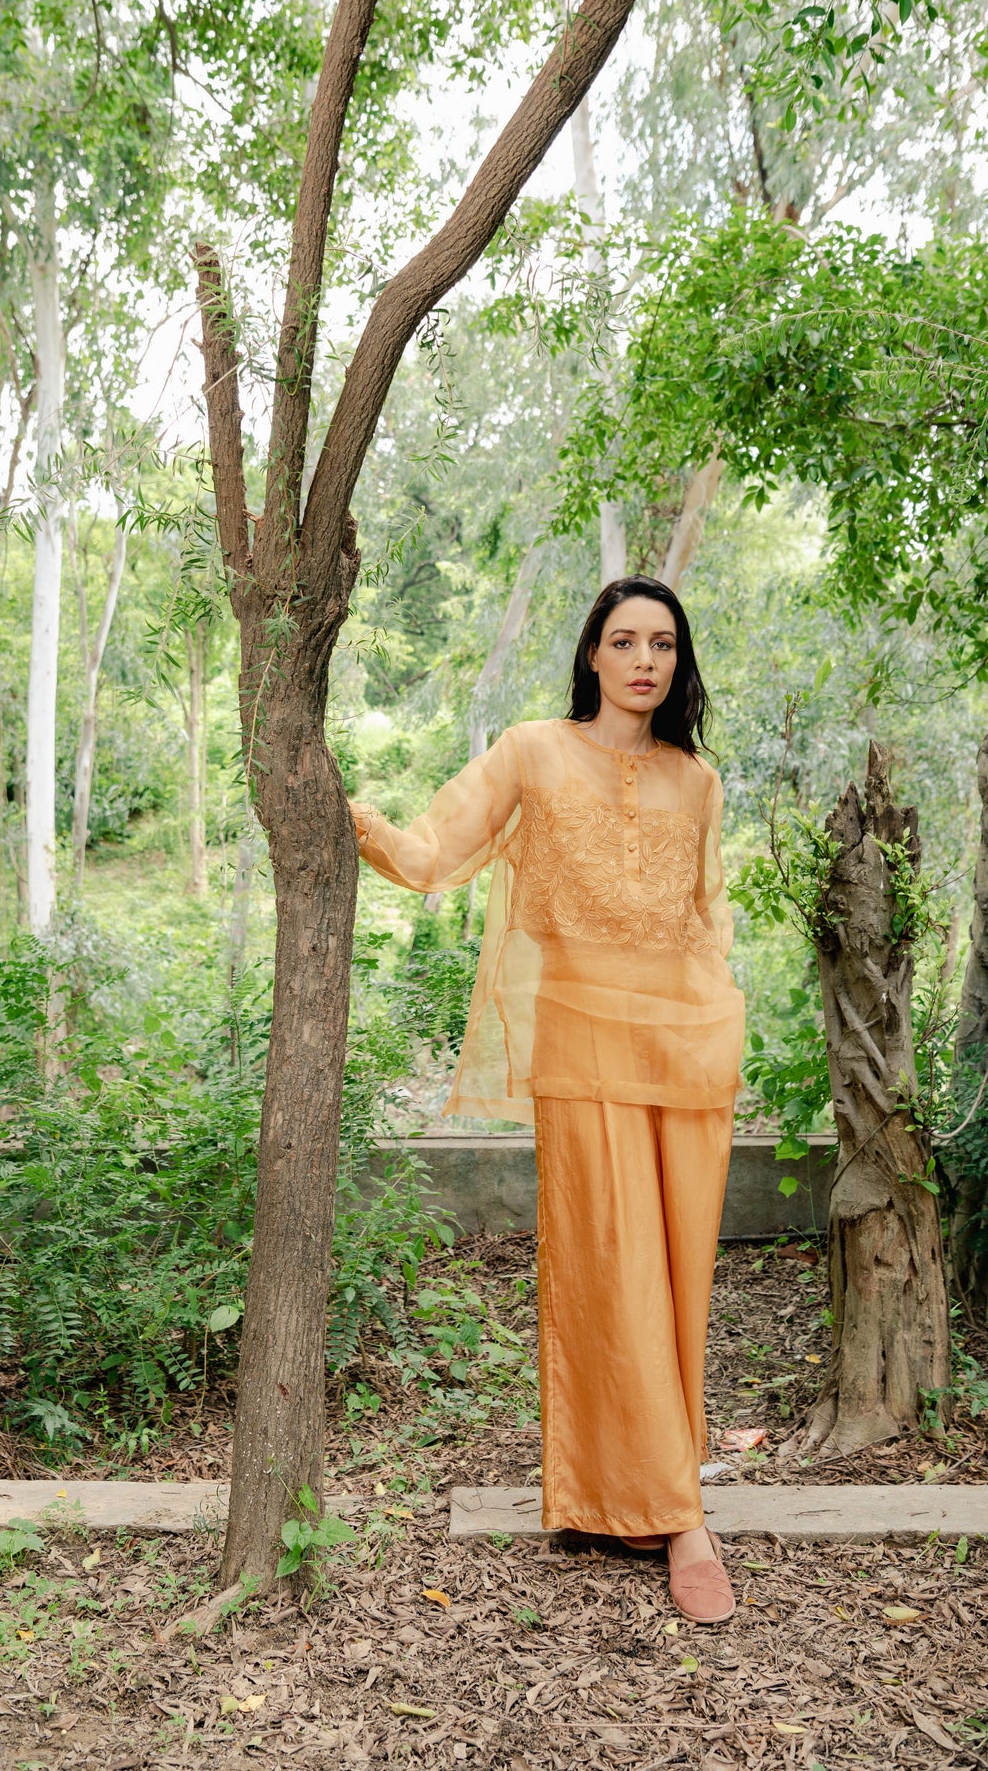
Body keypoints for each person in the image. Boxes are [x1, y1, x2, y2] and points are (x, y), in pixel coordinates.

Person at [349, 575, 746, 1624]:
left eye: (663, 643)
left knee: (676, 1281)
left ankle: (640, 1492)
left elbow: (708, 921)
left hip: (688, 1052)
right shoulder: (534, 750)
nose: (646, 660)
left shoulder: (695, 783)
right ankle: (680, 1515)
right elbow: (442, 847)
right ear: (592, 656)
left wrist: (720, 1013)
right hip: (582, 1050)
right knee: (607, 1270)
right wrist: (355, 820)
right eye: (625, 641)